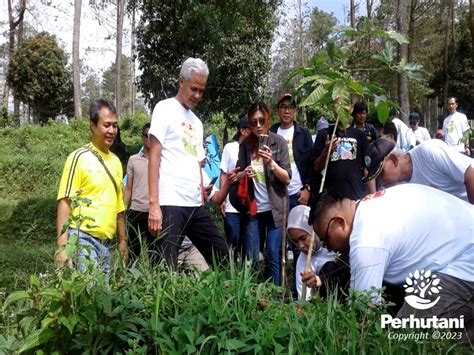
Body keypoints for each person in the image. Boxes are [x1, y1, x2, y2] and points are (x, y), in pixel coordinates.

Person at [309, 185, 473, 340]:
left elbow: (364, 314)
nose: (328, 248)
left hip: (466, 259)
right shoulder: (371, 205)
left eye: (326, 240)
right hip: (460, 248)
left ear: (339, 222)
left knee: (404, 336)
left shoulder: (366, 240)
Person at [147, 57, 228, 269]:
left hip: (194, 205)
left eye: (202, 91)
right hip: (170, 202)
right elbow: (154, 157)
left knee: (222, 255)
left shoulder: (197, 123)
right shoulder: (164, 109)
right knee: (166, 268)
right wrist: (154, 204)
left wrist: (202, 193)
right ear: (180, 81)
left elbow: (197, 163)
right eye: (194, 89)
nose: (198, 96)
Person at [56, 99, 127, 272]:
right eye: (106, 125)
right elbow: (65, 202)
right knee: (92, 291)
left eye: (115, 126)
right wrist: (62, 248)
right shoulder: (79, 157)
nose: (112, 131)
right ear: (93, 126)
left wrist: (123, 240)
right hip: (83, 239)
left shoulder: (116, 162)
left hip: (107, 246)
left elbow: (119, 207)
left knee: (103, 296)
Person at [236, 102, 291, 286]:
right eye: (253, 123)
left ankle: (274, 300)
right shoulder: (245, 146)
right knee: (251, 256)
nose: (258, 126)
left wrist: (271, 164)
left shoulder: (278, 142)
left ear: (268, 120)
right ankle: (251, 297)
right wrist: (244, 174)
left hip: (276, 209)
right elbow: (237, 173)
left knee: (272, 254)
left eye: (261, 121)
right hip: (254, 208)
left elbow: (287, 178)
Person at [365, 137, 474, 204]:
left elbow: (470, 174)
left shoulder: (429, 152)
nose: (380, 181)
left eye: (381, 174)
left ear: (394, 160)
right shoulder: (400, 189)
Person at [287, 205, 348, 301]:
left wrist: (320, 279)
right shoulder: (302, 261)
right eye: (295, 242)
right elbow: (304, 299)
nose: (300, 246)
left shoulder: (334, 244)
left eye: (303, 238)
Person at [311, 116, 373, 200]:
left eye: (344, 105)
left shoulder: (360, 135)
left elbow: (367, 169)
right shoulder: (324, 134)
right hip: (331, 200)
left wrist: (373, 195)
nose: (341, 109)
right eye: (337, 105)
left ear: (351, 108)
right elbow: (316, 168)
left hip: (356, 196)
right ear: (333, 109)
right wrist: (326, 150)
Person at [270, 93, 313, 210]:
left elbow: (312, 164)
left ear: (295, 111)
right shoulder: (270, 133)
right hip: (276, 195)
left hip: (298, 194)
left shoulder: (304, 134)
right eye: (283, 107)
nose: (287, 111)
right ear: (278, 110)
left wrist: (307, 189)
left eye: (290, 107)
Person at [220, 116, 251, 251]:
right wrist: (221, 198)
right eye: (251, 127)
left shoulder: (255, 148)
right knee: (232, 240)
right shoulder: (230, 148)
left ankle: (246, 271)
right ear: (243, 130)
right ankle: (231, 269)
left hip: (250, 203)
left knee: (248, 243)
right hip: (232, 204)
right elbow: (223, 174)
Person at [124, 123, 153, 262]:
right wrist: (123, 210)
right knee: (133, 251)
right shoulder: (133, 159)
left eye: (153, 136)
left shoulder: (162, 159)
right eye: (147, 135)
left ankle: (155, 281)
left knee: (155, 252)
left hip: (154, 212)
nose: (149, 138)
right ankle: (130, 279)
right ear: (142, 137)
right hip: (136, 211)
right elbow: (128, 188)